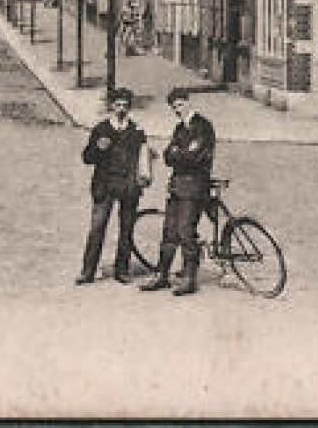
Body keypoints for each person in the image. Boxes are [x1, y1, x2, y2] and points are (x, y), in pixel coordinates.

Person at [142, 88, 217, 296]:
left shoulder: (203, 126)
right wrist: (178, 153)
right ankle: (162, 275)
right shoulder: (179, 129)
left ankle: (189, 279)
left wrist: (178, 153)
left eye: (181, 105)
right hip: (177, 185)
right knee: (169, 232)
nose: (178, 110)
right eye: (174, 107)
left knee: (185, 231)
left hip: (194, 187)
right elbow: (168, 156)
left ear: (188, 103)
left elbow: (195, 157)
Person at [77, 87, 151, 285]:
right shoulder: (101, 129)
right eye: (117, 105)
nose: (121, 109)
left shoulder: (136, 130)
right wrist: (97, 148)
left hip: (128, 187)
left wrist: (144, 175)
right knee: (97, 227)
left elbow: (144, 156)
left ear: (129, 108)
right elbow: (87, 158)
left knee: (126, 229)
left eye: (125, 106)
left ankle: (122, 270)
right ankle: (88, 270)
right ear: (111, 106)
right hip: (105, 185)